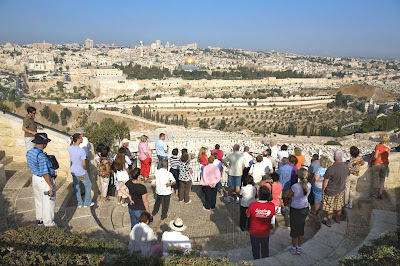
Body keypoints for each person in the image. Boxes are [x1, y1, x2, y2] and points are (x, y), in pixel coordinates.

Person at [26, 133, 56, 227]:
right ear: (44, 143)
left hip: (35, 178)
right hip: (44, 180)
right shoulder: (41, 156)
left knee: (38, 200)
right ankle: (49, 224)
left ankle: (40, 220)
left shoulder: (29, 152)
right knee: (48, 202)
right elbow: (45, 173)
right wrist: (51, 185)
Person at [246, 186, 276, 259]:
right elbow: (272, 219)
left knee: (255, 249)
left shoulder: (253, 205)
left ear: (258, 194)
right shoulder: (271, 205)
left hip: (254, 231)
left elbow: (247, 215)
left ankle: (257, 260)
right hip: (265, 231)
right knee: (265, 248)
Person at [322, 150, 349, 227]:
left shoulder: (331, 169)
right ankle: (338, 218)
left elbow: (326, 181)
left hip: (330, 191)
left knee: (330, 207)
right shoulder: (346, 167)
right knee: (339, 205)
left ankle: (329, 222)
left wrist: (323, 190)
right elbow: (346, 179)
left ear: (334, 158)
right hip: (340, 189)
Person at [287, 168, 311, 255]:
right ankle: (299, 247)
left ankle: (293, 247)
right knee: (301, 227)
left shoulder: (295, 186)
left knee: (294, 228)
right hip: (304, 207)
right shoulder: (309, 185)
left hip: (295, 208)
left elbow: (289, 195)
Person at [67, 133, 94, 208]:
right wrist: (85, 168)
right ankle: (87, 203)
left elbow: (71, 145)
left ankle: (79, 203)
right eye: (81, 138)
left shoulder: (69, 148)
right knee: (88, 185)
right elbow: (83, 163)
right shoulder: (81, 151)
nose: (82, 139)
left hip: (73, 171)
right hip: (81, 172)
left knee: (76, 186)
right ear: (78, 139)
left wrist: (72, 140)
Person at [371, 133, 391, 199]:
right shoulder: (389, 146)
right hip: (385, 164)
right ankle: (380, 193)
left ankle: (376, 194)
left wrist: (371, 159)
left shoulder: (378, 146)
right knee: (382, 179)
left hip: (378, 164)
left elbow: (375, 156)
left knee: (376, 179)